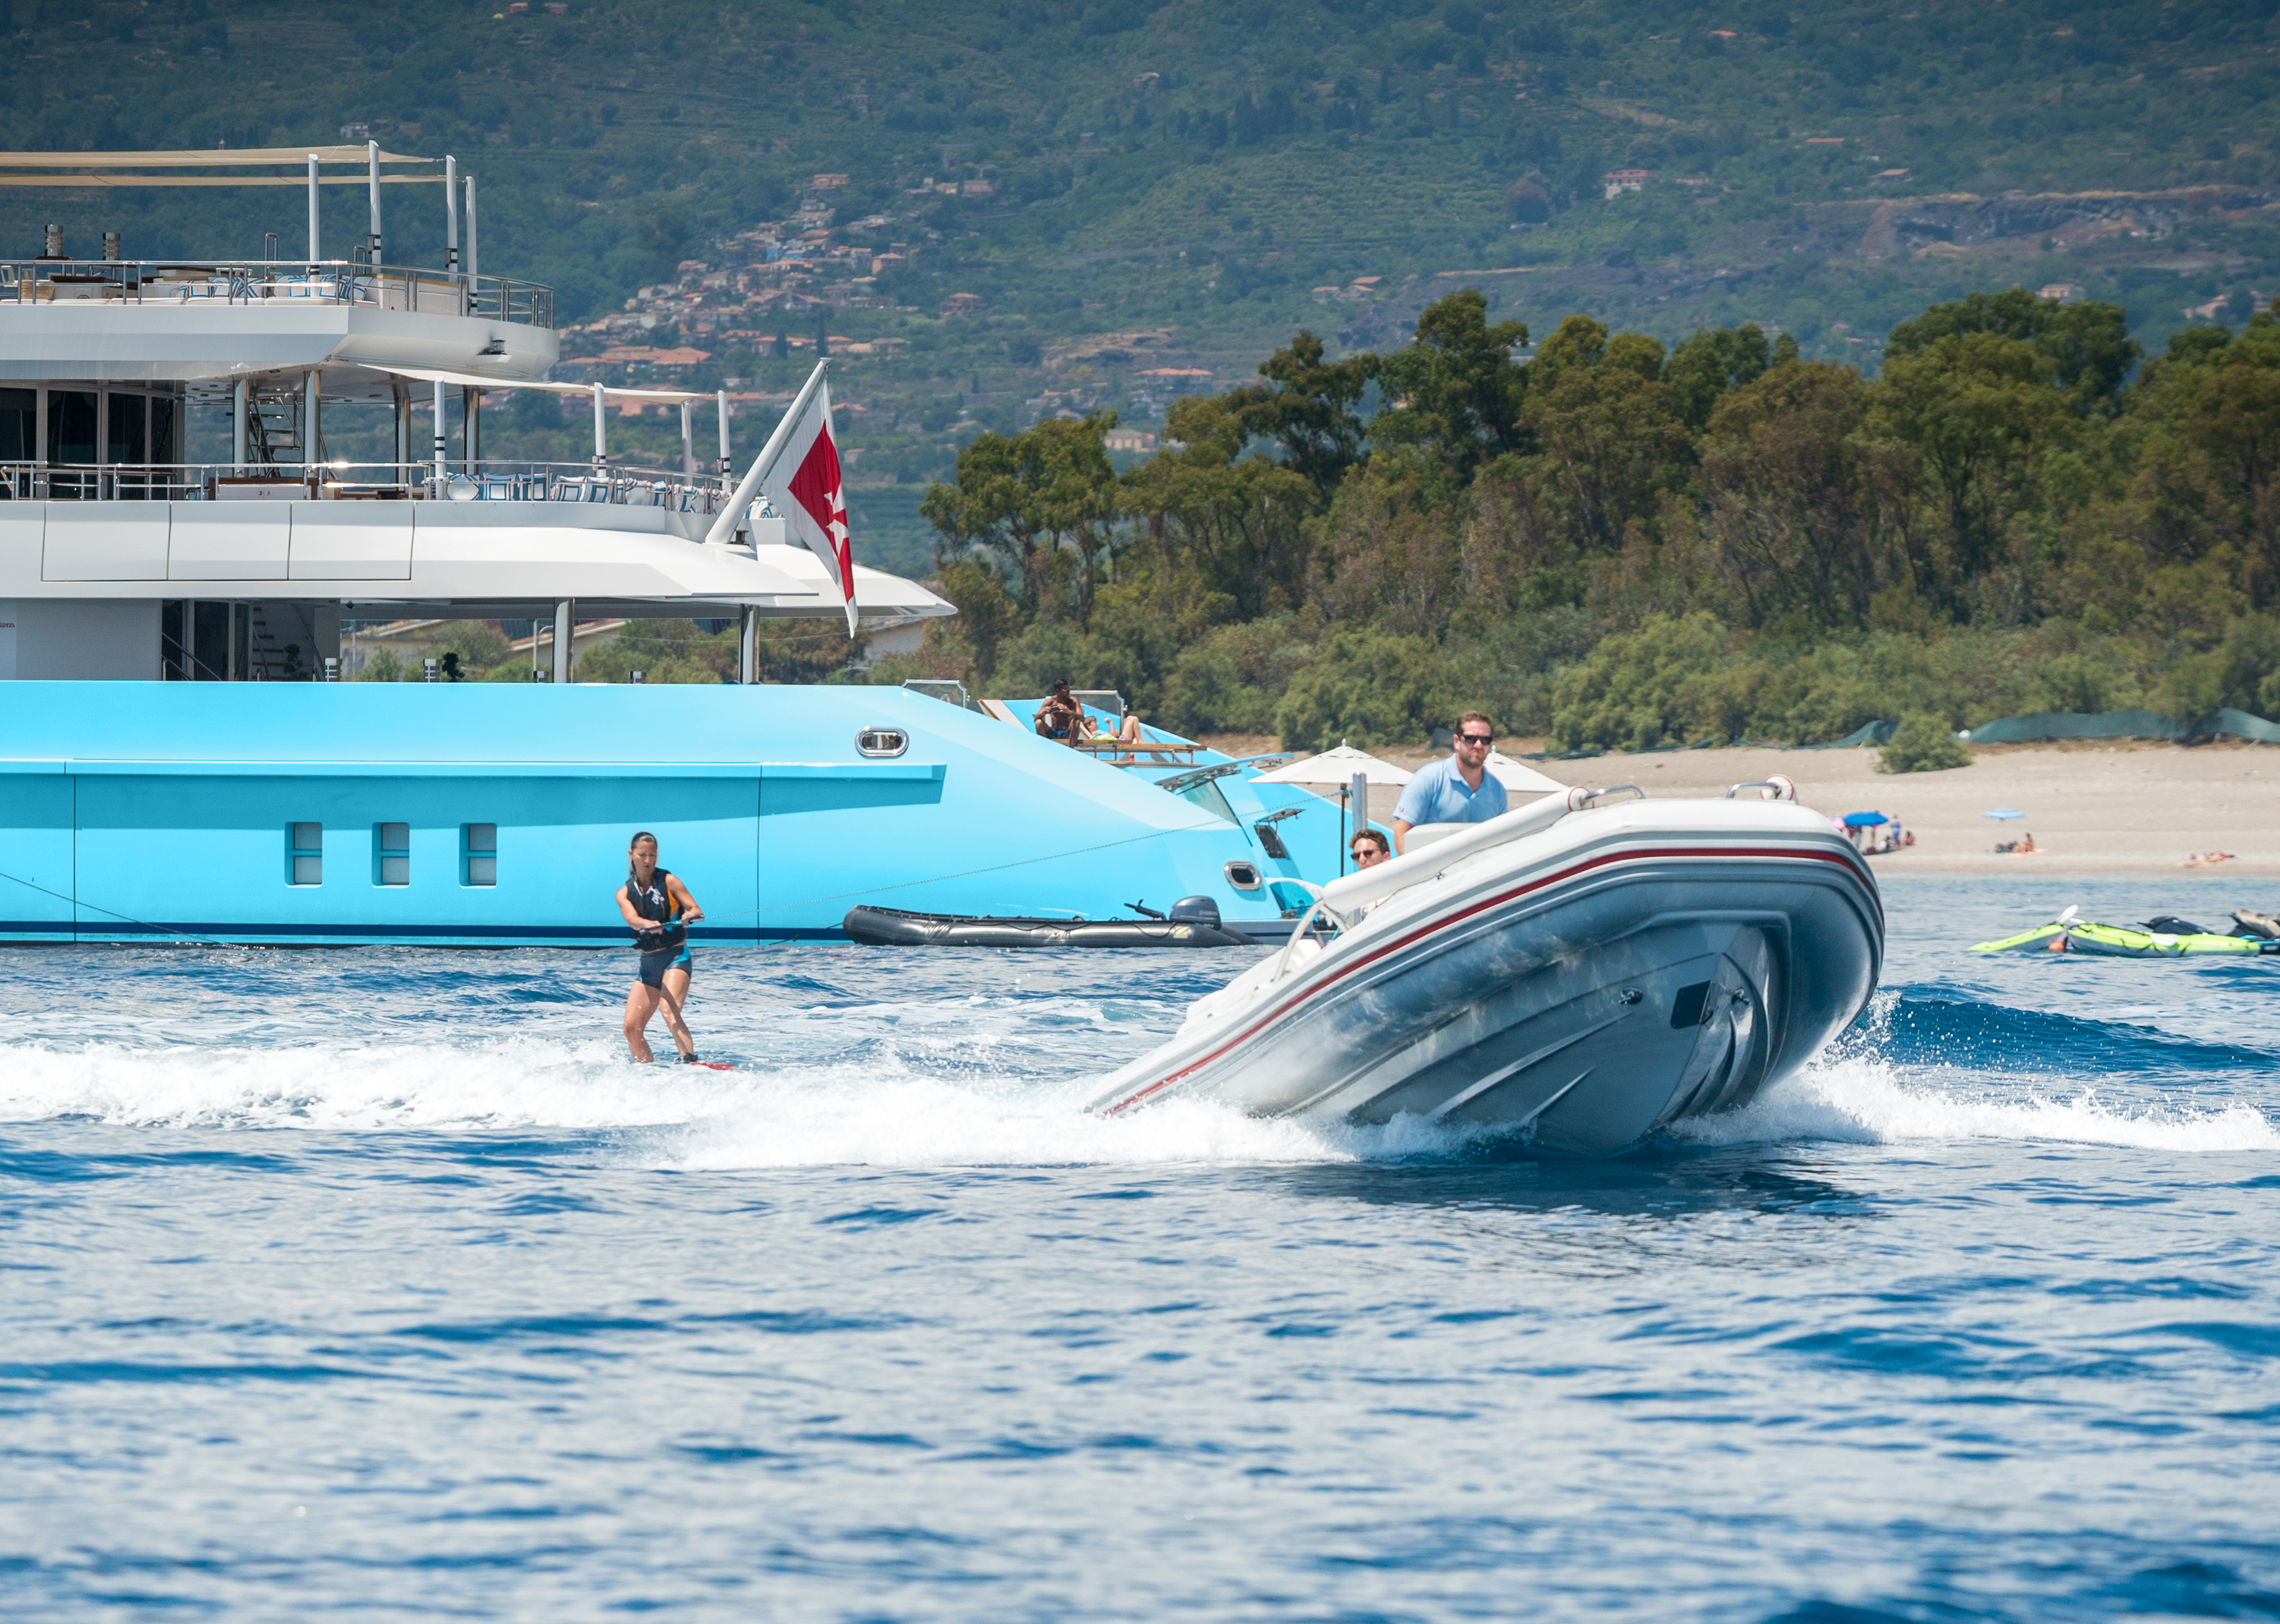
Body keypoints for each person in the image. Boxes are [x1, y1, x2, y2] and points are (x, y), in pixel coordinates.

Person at [614, 831, 705, 1063]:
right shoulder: (624, 893)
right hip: (648, 965)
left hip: (676, 957)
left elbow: (696, 910)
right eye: (642, 855)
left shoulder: (669, 881)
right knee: (631, 1028)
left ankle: (690, 1061)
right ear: (631, 854)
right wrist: (649, 925)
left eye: (652, 855)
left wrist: (689, 915)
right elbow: (632, 919)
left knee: (668, 1009)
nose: (647, 861)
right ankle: (646, 1072)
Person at [1391, 711, 1507, 854]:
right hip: (1431, 872)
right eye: (1471, 739)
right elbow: (1401, 833)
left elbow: (1502, 841)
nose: (1478, 745)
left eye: (1485, 740)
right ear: (1456, 741)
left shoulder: (1497, 791)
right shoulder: (1428, 779)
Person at [1035, 680, 1084, 744]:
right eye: (1065, 690)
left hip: (1067, 732)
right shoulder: (1050, 702)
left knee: (1076, 721)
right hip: (1053, 731)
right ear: (1058, 691)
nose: (1068, 692)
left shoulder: (1073, 701)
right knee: (1038, 722)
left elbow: (1082, 718)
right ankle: (1044, 746)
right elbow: (1036, 718)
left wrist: (1069, 711)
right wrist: (1043, 712)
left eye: (1069, 689)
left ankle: (1071, 748)